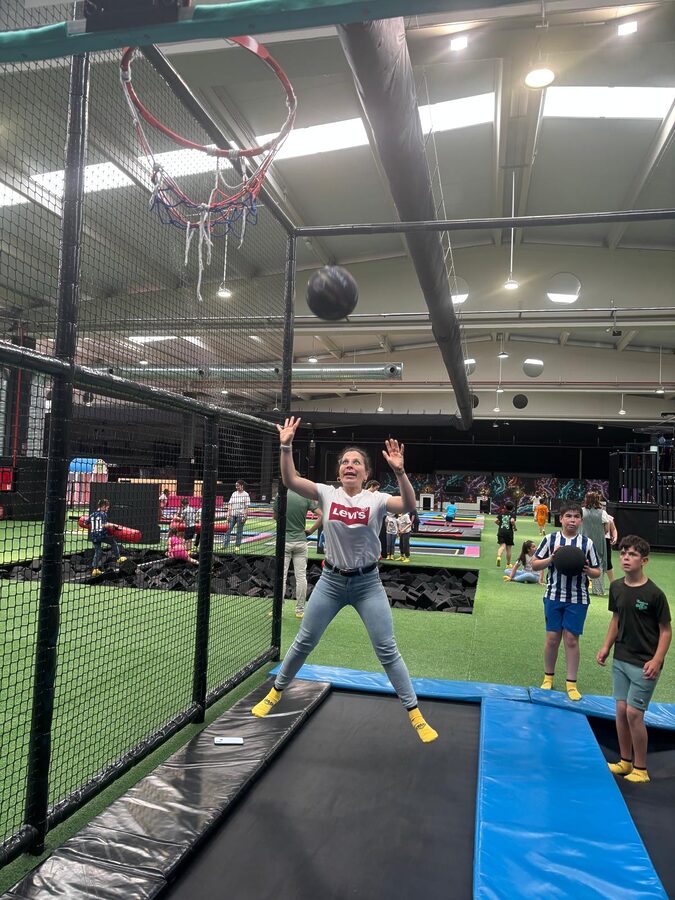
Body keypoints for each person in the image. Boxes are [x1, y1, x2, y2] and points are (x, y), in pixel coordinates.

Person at [251, 416, 438, 743]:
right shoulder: (326, 493)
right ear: (339, 472)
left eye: (356, 463)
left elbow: (408, 504)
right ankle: (276, 691)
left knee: (387, 649)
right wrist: (286, 446)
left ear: (366, 474)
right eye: (345, 462)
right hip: (331, 582)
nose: (350, 466)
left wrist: (400, 472)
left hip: (367, 585)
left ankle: (414, 712)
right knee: (304, 641)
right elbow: (291, 479)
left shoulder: (376, 500)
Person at [596, 535, 671, 784]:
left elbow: (666, 631)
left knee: (634, 714)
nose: (626, 558)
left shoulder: (655, 594)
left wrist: (657, 660)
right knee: (620, 711)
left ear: (644, 561)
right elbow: (616, 619)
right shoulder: (617, 587)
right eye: (623, 553)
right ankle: (625, 761)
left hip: (645, 664)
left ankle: (641, 768)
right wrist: (606, 646)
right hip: (621, 658)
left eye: (633, 554)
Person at [531, 500, 601, 700]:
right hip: (553, 596)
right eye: (568, 516)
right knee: (552, 639)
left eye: (576, 516)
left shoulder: (587, 543)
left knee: (571, 639)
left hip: (578, 598)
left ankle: (571, 683)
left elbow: (597, 571)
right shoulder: (550, 540)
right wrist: (551, 559)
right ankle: (548, 677)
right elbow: (535, 565)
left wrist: (587, 569)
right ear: (560, 519)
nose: (572, 520)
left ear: (581, 520)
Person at [273, 483, 322, 618]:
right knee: (301, 577)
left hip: (284, 540)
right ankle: (300, 610)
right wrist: (310, 530)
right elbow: (322, 515)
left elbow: (275, 517)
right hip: (301, 540)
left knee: (281, 576)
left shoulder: (280, 495)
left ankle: (278, 609)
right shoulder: (305, 496)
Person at [87, 498, 126, 576]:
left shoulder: (92, 514)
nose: (107, 509)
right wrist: (113, 526)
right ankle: (118, 558)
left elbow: (86, 522)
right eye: (107, 508)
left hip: (94, 536)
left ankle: (95, 569)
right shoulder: (103, 514)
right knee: (113, 542)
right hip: (101, 535)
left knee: (98, 552)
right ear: (103, 506)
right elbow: (104, 525)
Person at [581, 491, 607, 596]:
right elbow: (606, 529)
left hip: (583, 541)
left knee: (581, 563)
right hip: (598, 542)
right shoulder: (603, 513)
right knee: (599, 563)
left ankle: (580, 588)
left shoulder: (581, 512)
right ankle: (598, 590)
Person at [223, 480, 250, 549]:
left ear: (242, 486)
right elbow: (230, 505)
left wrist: (244, 516)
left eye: (238, 486)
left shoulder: (246, 495)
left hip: (240, 515)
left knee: (239, 531)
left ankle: (237, 546)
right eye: (236, 486)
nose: (236, 487)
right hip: (232, 514)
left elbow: (246, 507)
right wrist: (228, 514)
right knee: (228, 529)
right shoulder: (234, 494)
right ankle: (225, 545)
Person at [366, 479, 388, 559]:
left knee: (377, 536)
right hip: (367, 518)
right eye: (376, 488)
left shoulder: (377, 495)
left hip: (374, 518)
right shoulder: (363, 494)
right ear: (372, 486)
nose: (377, 490)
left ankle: (379, 553)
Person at [495, 501, 516, 567]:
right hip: (509, 533)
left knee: (502, 546)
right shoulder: (512, 514)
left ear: (505, 507)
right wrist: (515, 527)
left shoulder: (501, 514)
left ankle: (499, 557)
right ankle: (508, 564)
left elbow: (496, 521)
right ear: (512, 508)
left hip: (501, 532)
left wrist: (500, 524)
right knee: (508, 549)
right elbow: (512, 521)